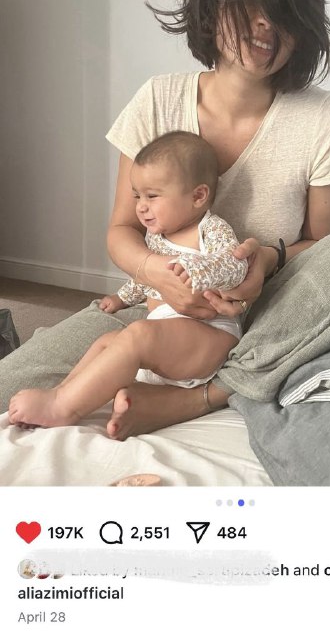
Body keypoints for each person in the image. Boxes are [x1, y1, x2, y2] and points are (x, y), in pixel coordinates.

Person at [0, 0, 330, 447]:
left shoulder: (327, 121)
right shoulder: (157, 100)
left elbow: (324, 249)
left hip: (270, 312)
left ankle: (202, 396)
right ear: (210, 8)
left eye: (284, 9)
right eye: (248, 0)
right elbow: (121, 230)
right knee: (12, 386)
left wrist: (264, 261)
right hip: (156, 305)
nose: (266, 22)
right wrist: (160, 277)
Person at [8, 132, 247, 428]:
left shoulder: (210, 229)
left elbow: (235, 264)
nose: (141, 206)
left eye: (152, 196)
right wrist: (122, 298)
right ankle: (62, 392)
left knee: (137, 335)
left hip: (209, 335)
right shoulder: (157, 236)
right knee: (107, 342)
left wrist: (198, 271)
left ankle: (63, 407)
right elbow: (147, 279)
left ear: (198, 196)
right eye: (137, 196)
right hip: (167, 335)